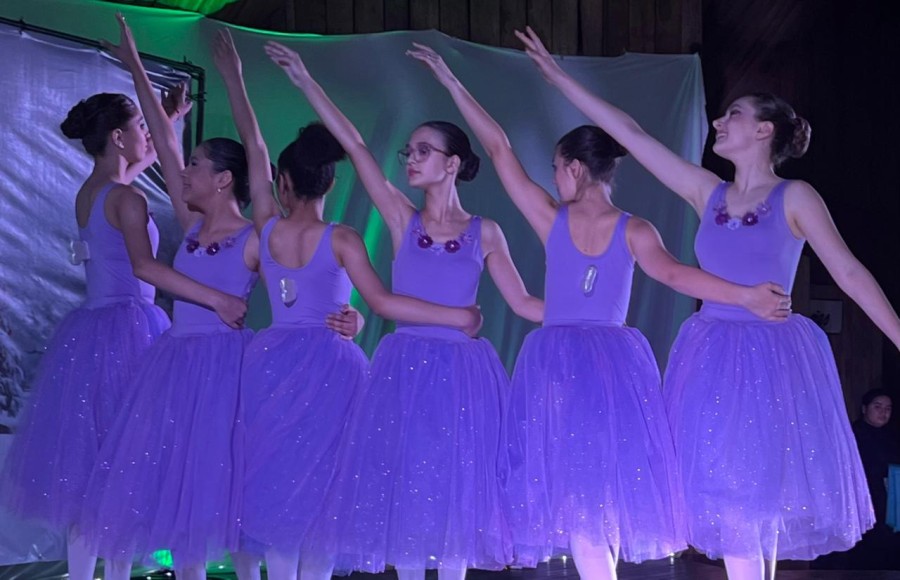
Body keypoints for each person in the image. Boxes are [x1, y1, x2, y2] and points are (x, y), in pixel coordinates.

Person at [514, 26, 900, 580]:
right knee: (727, 504)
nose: (719, 121)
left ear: (764, 130)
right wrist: (558, 77)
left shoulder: (795, 196)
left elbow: (849, 271)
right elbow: (630, 133)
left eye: (733, 114)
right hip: (711, 355)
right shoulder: (706, 191)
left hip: (771, 358)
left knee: (755, 505)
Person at [406, 43, 790, 580]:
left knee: (580, 499)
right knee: (599, 498)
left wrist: (451, 80)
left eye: (556, 169)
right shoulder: (635, 229)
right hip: (614, 367)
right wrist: (743, 294)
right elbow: (676, 275)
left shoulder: (552, 218)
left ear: (574, 168)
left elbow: (497, 147)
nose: (554, 179)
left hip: (562, 363)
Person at [264, 40, 543, 580]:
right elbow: (354, 144)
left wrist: (583, 316)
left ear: (452, 164)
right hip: (404, 372)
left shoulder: (485, 232)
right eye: (409, 151)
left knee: (457, 500)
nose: (411, 158)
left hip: (463, 377)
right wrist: (303, 80)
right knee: (408, 503)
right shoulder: (400, 217)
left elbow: (524, 302)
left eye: (423, 151)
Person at [211, 30, 482, 580]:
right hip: (332, 367)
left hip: (272, 363)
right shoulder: (343, 238)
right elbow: (377, 299)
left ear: (281, 183)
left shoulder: (266, 226)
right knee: (328, 490)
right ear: (329, 185)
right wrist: (363, 316)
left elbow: (254, 145)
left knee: (274, 482)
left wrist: (237, 78)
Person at [0, 87, 246, 580]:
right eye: (139, 129)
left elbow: (141, 163)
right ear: (118, 136)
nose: (147, 138)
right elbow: (145, 266)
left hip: (92, 329)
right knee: (125, 467)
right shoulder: (128, 198)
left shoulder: (93, 191)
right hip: (130, 329)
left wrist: (168, 118)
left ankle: (85, 572)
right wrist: (215, 298)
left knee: (96, 469)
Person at [77, 15, 261, 580]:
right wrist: (135, 66)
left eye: (196, 164)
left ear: (224, 179)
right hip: (177, 366)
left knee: (231, 487)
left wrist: (234, 81)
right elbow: (161, 138)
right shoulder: (194, 224)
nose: (182, 169)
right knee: (177, 490)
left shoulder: (256, 237)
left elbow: (256, 154)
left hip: (224, 369)